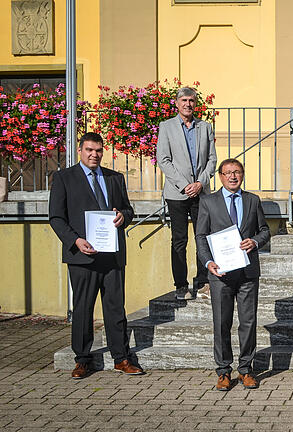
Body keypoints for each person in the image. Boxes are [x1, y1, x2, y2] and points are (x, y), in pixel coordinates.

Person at [49, 132, 144, 379]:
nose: (95, 154)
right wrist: (75, 240)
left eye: (99, 150)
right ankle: (82, 360)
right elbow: (56, 217)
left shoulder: (115, 178)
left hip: (111, 255)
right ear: (80, 150)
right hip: (82, 256)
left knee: (115, 308)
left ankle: (121, 358)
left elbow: (127, 209)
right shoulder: (64, 178)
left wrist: (123, 217)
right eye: (90, 150)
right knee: (83, 308)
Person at [196, 158, 271, 391]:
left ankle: (247, 370)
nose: (233, 176)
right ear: (220, 176)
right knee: (222, 322)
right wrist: (207, 262)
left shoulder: (252, 200)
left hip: (247, 272)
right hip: (220, 273)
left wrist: (255, 242)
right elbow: (200, 236)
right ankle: (224, 371)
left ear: (243, 175)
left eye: (237, 172)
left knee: (248, 322)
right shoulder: (208, 202)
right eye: (228, 172)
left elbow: (265, 230)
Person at [157, 86, 218, 300]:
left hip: (201, 192)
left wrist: (200, 182)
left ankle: (203, 282)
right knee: (179, 240)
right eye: (184, 100)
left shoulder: (205, 127)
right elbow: (163, 159)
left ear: (195, 103)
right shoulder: (166, 127)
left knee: (203, 237)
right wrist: (185, 185)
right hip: (177, 193)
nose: (188, 104)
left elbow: (212, 159)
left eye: (191, 100)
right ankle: (181, 286)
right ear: (177, 103)